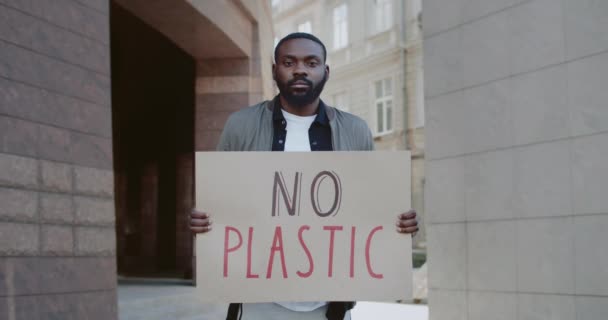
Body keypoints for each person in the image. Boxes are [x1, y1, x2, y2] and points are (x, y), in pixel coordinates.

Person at [190, 32, 418, 320]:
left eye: (311, 62)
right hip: (258, 301)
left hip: (330, 305)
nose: (300, 69)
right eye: (289, 62)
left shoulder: (355, 130)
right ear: (275, 70)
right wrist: (204, 220)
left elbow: (369, 209)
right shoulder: (241, 125)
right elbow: (218, 204)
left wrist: (400, 223)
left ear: (325, 71)